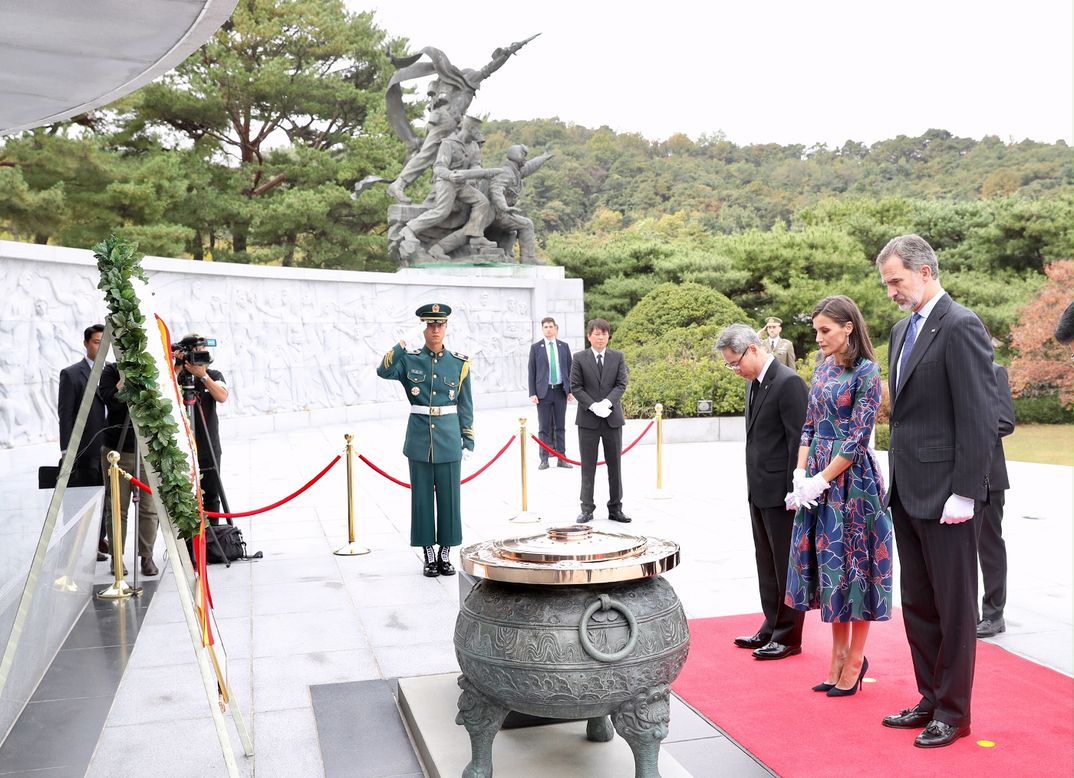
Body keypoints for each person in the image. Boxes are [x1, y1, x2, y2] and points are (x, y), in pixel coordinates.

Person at [876, 234, 997, 749]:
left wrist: (966, 491)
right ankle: (929, 697)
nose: (891, 293)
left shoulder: (961, 324)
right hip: (907, 490)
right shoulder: (902, 330)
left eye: (896, 281)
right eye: (886, 284)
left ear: (926, 271)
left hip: (948, 495)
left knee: (953, 607)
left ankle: (954, 710)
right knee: (919, 604)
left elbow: (978, 415)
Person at [783, 296, 894, 693]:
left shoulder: (867, 371)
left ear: (848, 327)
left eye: (825, 330)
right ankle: (837, 655)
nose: (818, 338)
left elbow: (858, 436)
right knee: (832, 572)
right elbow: (809, 425)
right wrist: (801, 472)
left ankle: (855, 659)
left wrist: (822, 478)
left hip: (853, 482)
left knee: (856, 569)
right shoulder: (821, 367)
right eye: (816, 331)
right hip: (817, 476)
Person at [715, 323, 807, 660]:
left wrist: (794, 489)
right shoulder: (755, 384)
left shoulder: (789, 382)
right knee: (765, 562)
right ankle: (771, 624)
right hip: (758, 489)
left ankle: (789, 635)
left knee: (785, 565)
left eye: (735, 361)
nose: (734, 369)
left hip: (783, 493)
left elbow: (799, 440)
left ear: (753, 348)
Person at [376, 303, 474, 576]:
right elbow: (382, 370)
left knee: (450, 498)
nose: (435, 330)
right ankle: (428, 553)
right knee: (421, 499)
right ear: (424, 328)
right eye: (430, 325)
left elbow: (465, 404)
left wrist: (468, 439)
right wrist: (401, 343)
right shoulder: (410, 358)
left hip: (449, 437)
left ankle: (445, 552)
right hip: (420, 438)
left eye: (439, 325)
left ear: (446, 327)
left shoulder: (459, 362)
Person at [398, 116, 493, 261]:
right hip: (445, 182)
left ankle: (475, 235)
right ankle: (409, 229)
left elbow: (475, 164)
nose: (480, 133)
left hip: (462, 184)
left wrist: (475, 173)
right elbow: (438, 167)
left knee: (482, 202)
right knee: (442, 212)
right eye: (478, 130)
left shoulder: (473, 146)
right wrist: (450, 175)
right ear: (470, 129)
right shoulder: (448, 143)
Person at [100, 363, 160, 576]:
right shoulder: (112, 370)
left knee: (149, 507)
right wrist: (123, 384)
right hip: (118, 450)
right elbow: (109, 402)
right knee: (117, 507)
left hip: (146, 450)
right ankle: (117, 557)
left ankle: (147, 556)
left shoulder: (150, 367)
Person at [569, 318, 629, 524]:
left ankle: (616, 508)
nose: (600, 337)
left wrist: (607, 403)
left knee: (615, 465)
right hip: (588, 420)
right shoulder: (579, 358)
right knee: (588, 466)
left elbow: (621, 384)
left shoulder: (617, 357)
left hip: (612, 419)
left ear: (608, 336)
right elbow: (575, 386)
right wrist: (593, 405)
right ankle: (586, 508)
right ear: (589, 336)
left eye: (604, 334)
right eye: (596, 334)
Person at [58, 324, 109, 560]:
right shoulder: (71, 374)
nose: (101, 347)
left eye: (104, 343)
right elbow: (65, 414)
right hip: (86, 447)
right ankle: (77, 547)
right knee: (84, 498)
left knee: (109, 498)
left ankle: (99, 541)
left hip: (111, 447)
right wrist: (67, 449)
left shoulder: (112, 372)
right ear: (87, 343)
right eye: (97, 342)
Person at [976, 362, 1015, 638]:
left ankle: (993, 615)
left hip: (989, 475)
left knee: (989, 546)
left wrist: (965, 430)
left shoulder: (994, 370)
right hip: (952, 478)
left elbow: (1005, 422)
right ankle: (967, 613)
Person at [173, 334, 229, 523]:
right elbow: (165, 395)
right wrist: (178, 366)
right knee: (186, 496)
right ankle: (191, 544)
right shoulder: (177, 376)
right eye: (196, 351)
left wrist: (202, 376)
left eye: (203, 350)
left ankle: (213, 539)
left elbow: (222, 396)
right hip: (183, 447)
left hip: (209, 446)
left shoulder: (213, 375)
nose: (201, 354)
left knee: (212, 495)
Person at [528, 317, 574, 470]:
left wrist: (570, 390)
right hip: (544, 392)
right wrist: (532, 393)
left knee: (560, 426)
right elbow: (532, 371)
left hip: (560, 391)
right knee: (544, 427)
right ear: (542, 329)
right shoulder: (536, 348)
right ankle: (544, 458)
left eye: (550, 326)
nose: (548, 329)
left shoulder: (563, 347)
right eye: (545, 327)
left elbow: (570, 369)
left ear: (556, 328)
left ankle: (562, 457)